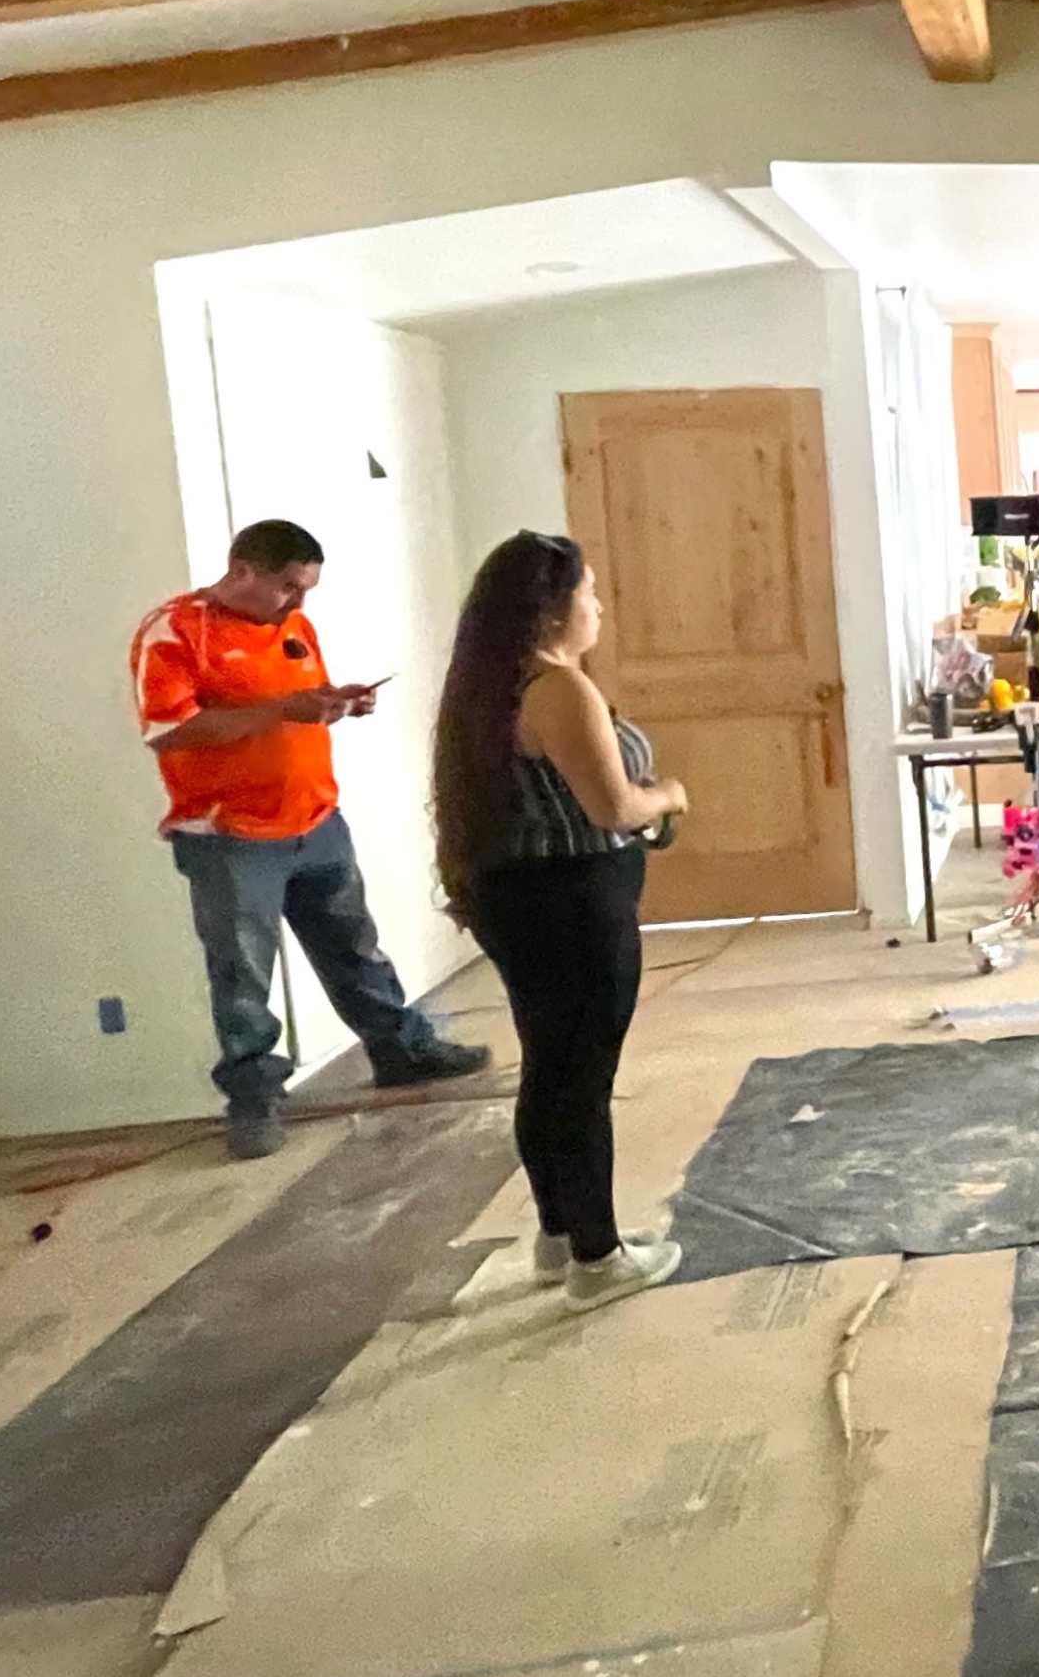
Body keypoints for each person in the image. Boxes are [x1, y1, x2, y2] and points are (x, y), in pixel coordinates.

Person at [130, 518, 489, 1161]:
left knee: (353, 944)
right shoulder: (177, 630)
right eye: (288, 588)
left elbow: (294, 701)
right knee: (241, 971)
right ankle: (254, 1096)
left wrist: (336, 703)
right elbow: (168, 730)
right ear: (242, 571)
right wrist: (280, 712)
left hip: (315, 819)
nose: (298, 603)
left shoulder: (295, 626)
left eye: (307, 590)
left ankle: (399, 1049)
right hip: (229, 833)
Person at [430, 533, 690, 1307]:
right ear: (554, 610)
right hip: (574, 899)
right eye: (590, 592)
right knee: (582, 1078)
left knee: (549, 1067)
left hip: (518, 897)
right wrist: (670, 796)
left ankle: (560, 1234)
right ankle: (597, 1258)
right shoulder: (557, 689)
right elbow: (612, 807)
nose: (599, 605)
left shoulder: (490, 686)